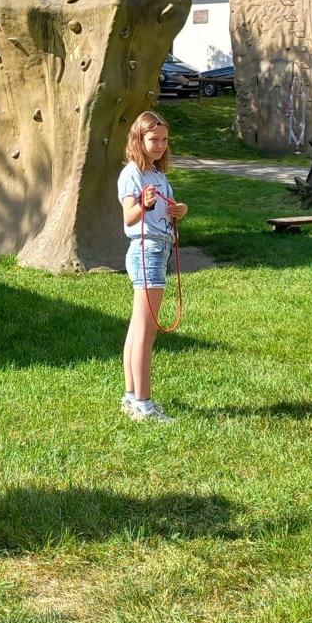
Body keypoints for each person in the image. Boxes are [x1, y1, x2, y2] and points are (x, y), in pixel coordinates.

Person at [118, 111, 188, 423]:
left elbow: (162, 212)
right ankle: (144, 405)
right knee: (147, 332)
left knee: (139, 328)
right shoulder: (132, 174)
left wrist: (178, 211)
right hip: (146, 250)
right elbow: (129, 217)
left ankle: (132, 398)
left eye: (164, 140)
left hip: (158, 248)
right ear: (139, 140)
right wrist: (143, 204)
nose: (159, 145)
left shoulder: (158, 175)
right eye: (153, 139)